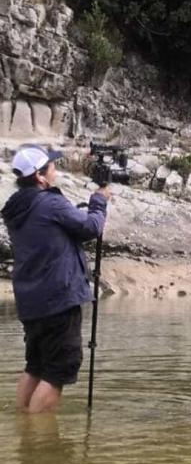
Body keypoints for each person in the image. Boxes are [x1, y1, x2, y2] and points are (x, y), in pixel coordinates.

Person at [1, 144, 109, 413]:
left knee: (36, 366)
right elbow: (90, 228)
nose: (55, 169)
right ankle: (38, 438)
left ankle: (24, 427)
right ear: (40, 176)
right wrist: (99, 202)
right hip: (59, 299)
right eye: (51, 166)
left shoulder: (16, 208)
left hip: (32, 301)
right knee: (56, 373)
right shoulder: (50, 202)